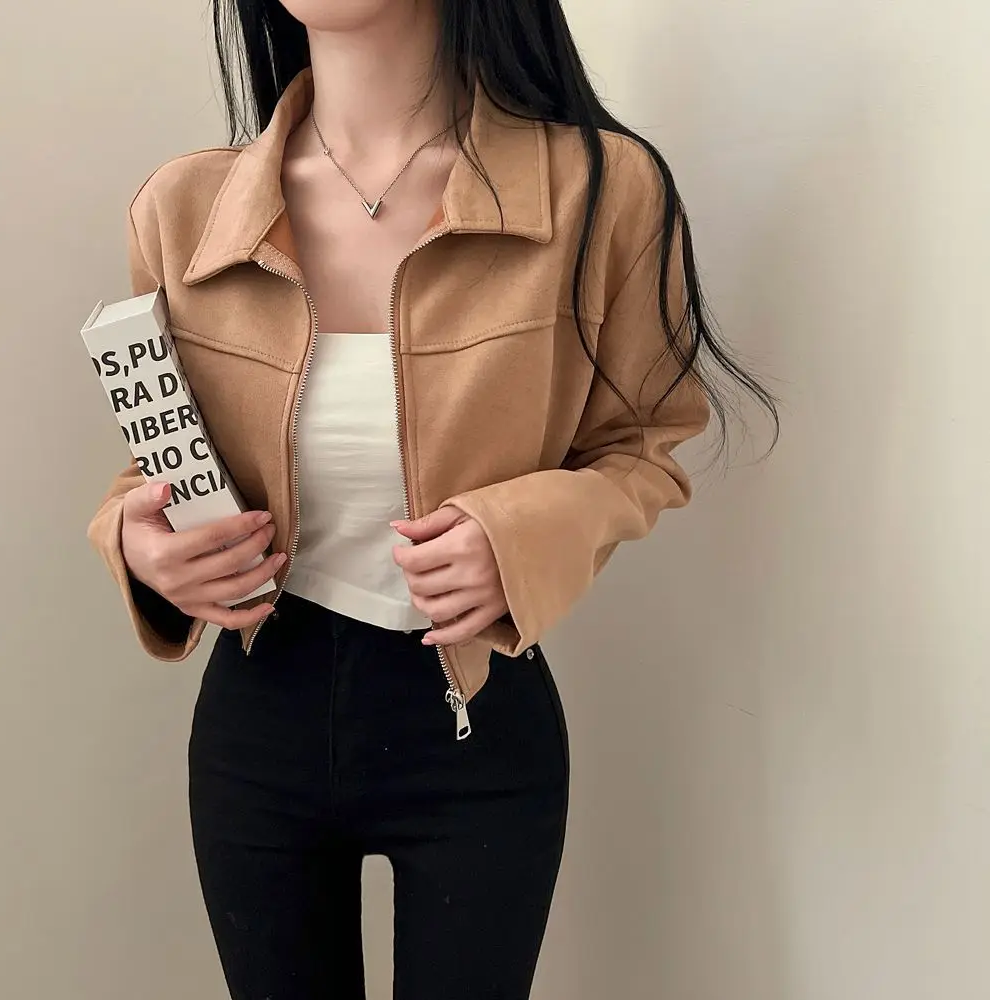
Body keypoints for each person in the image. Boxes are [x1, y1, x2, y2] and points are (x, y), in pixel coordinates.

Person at [88, 1, 778, 997]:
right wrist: (136, 541)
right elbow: (157, 462)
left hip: (478, 719)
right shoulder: (182, 209)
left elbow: (645, 446)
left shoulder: (599, 190)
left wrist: (522, 536)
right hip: (257, 727)